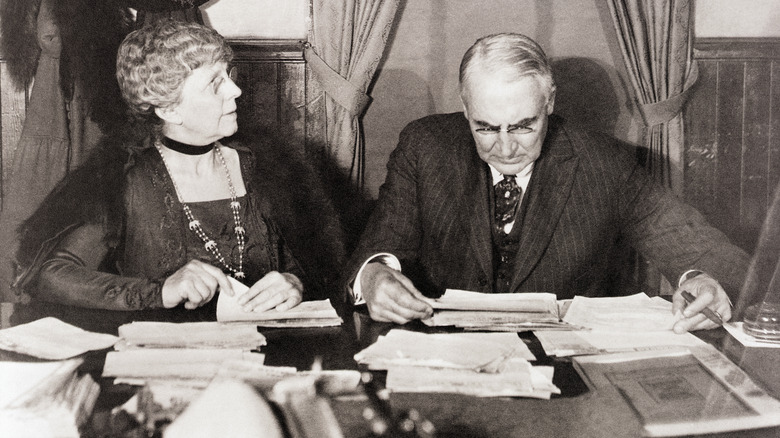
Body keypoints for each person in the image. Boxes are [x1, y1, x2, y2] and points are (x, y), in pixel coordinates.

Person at [345, 33, 750, 333]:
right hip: (440, 360)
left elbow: (717, 257)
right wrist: (374, 277)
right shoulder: (424, 147)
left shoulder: (604, 162)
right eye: (485, 127)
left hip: (564, 376)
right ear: (465, 107)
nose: (504, 148)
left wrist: (707, 282)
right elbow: (373, 253)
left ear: (550, 102)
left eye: (523, 126)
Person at [10, 20, 344, 324]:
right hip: (163, 366)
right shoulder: (125, 180)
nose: (235, 90)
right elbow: (50, 274)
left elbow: (325, 262)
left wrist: (294, 282)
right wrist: (160, 291)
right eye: (215, 83)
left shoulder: (272, 168)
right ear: (169, 108)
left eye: (230, 74)